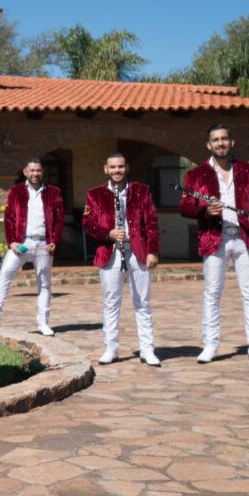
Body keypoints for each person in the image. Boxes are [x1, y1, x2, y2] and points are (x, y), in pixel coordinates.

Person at [179, 124, 249, 364]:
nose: (220, 143)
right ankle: (210, 346)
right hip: (214, 238)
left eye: (224, 139)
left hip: (245, 237)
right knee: (212, 292)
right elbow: (185, 207)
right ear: (209, 145)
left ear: (232, 142)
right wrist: (205, 210)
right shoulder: (196, 174)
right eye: (215, 140)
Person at [82, 154, 159, 365]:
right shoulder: (95, 194)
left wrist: (152, 251)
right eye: (113, 167)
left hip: (138, 252)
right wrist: (108, 233)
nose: (117, 170)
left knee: (142, 302)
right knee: (111, 302)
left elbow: (151, 223)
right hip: (111, 253)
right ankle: (111, 349)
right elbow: (87, 223)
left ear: (127, 168)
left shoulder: (142, 191)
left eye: (121, 167)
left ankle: (147, 350)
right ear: (106, 169)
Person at [0, 158, 63, 336]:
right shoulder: (16, 191)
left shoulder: (54, 192)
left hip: (44, 243)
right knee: (4, 275)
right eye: (31, 170)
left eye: (38, 170)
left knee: (44, 283)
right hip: (21, 242)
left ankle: (43, 323)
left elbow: (59, 220)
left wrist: (54, 241)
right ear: (25, 172)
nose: (35, 174)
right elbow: (8, 218)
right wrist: (11, 242)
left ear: (42, 172)